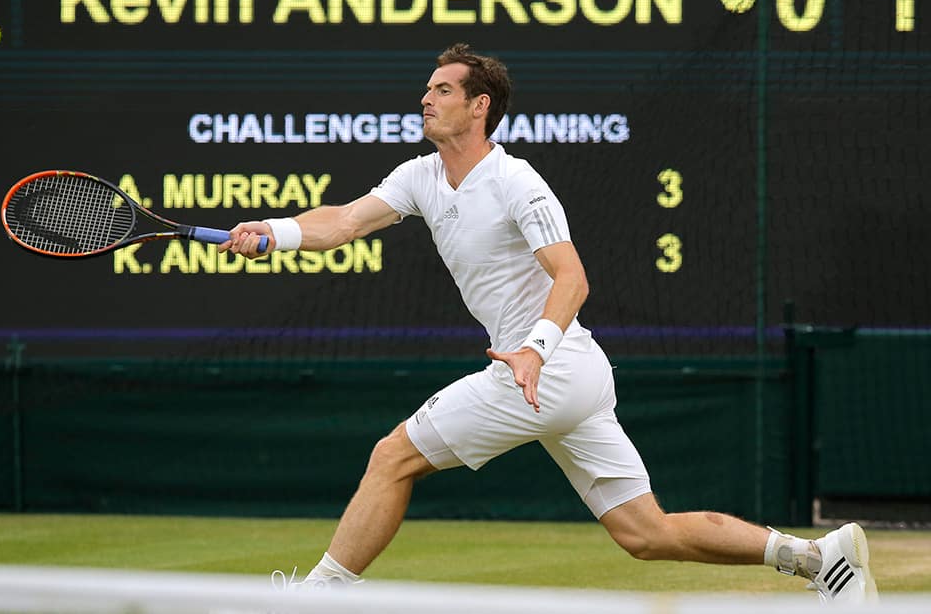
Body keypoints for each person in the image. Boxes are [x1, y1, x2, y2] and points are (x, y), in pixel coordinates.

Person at [220, 43, 878, 604]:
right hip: (572, 373)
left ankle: (320, 599)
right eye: (427, 88)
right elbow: (344, 222)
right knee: (647, 535)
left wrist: (534, 350)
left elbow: (572, 277)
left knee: (392, 456)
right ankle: (819, 559)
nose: (426, 98)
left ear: (480, 107)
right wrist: (272, 232)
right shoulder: (421, 177)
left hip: (548, 366)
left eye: (443, 89)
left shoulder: (518, 182)